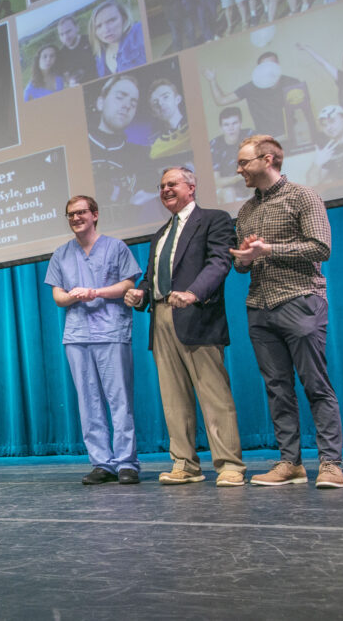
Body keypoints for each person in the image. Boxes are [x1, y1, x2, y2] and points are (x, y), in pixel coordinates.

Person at [230, 134, 343, 488]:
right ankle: (290, 463)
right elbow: (242, 265)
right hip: (259, 307)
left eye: (244, 162)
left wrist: (269, 250)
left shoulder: (303, 196)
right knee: (277, 388)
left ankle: (330, 464)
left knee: (316, 385)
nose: (238, 170)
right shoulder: (247, 210)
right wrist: (245, 258)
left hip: (299, 300)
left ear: (267, 160)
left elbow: (321, 248)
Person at [124, 168, 246, 487]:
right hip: (161, 318)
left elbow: (220, 262)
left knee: (214, 394)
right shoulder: (160, 233)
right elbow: (153, 277)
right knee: (173, 398)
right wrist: (141, 293)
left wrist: (194, 293)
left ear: (191, 187)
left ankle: (229, 464)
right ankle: (185, 463)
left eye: (172, 184)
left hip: (197, 314)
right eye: (161, 185)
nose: (165, 189)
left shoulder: (214, 219)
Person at [45, 195, 142, 485]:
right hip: (77, 336)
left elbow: (128, 284)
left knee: (119, 399)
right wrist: (73, 295)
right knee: (88, 402)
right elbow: (58, 297)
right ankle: (102, 463)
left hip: (111, 332)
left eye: (81, 213)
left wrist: (95, 292)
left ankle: (127, 463)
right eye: (71, 214)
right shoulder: (61, 254)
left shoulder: (116, 247)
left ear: (95, 215)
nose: (76, 218)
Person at [87, 75, 155, 227]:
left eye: (133, 103)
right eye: (120, 97)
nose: (127, 105)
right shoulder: (77, 150)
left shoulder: (142, 155)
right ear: (100, 102)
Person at [202, 52, 304, 139]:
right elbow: (221, 100)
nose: (269, 69)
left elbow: (305, 108)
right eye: (265, 66)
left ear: (278, 65)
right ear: (259, 69)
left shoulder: (292, 82)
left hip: (294, 135)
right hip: (266, 141)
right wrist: (212, 81)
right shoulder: (250, 87)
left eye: (272, 65)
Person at [89, 0, 146, 77]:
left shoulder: (138, 32)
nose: (106, 29)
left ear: (124, 18)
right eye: (99, 26)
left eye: (111, 20)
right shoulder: (99, 57)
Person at [210, 107, 254, 202]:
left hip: (249, 185)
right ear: (221, 127)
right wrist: (238, 177)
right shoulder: (215, 145)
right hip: (226, 189)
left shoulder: (249, 135)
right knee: (229, 192)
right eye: (226, 125)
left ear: (240, 123)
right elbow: (216, 182)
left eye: (234, 123)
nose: (231, 128)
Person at [147, 79, 192, 163]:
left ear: (178, 99)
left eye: (165, 97)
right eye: (155, 102)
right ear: (153, 113)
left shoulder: (194, 129)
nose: (160, 103)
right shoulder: (156, 147)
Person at [56, 15, 98, 85]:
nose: (65, 37)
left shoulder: (91, 40)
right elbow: (66, 78)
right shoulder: (61, 55)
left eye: (68, 31)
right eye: (61, 34)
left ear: (77, 28)